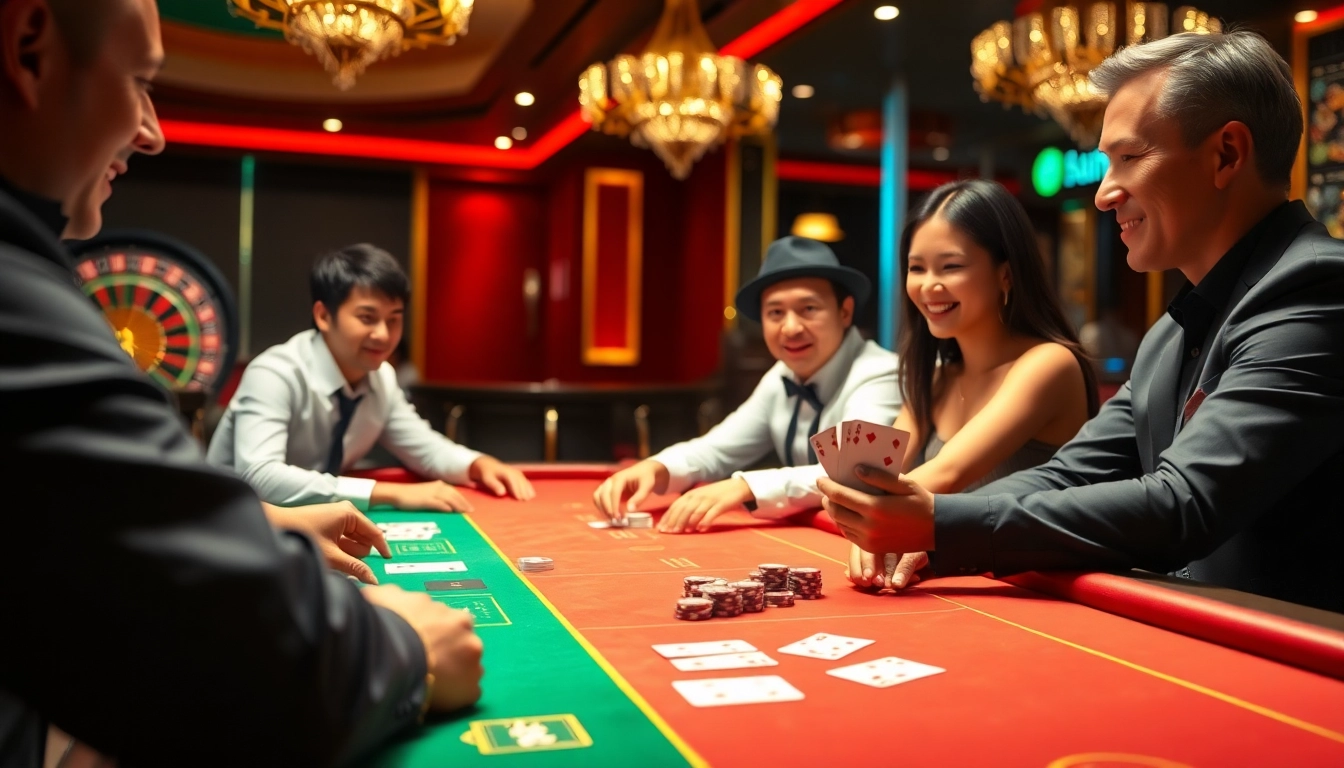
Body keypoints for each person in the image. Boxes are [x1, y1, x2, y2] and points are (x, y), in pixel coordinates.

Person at [0, 2, 483, 765]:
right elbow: (236, 654)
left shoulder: (380, 381)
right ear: (29, 46)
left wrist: (272, 524)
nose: (152, 132)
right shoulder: (18, 299)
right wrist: (403, 648)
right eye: (139, 82)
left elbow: (69, 532)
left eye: (394, 319)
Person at [820, 30, 1344, 613]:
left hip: (1298, 654)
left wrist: (940, 523)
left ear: (1226, 154)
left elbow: (1183, 503)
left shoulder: (1317, 288)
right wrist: (933, 531)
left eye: (1129, 158)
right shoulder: (1171, 333)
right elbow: (1069, 474)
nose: (1103, 194)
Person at [845, 180, 1098, 589]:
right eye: (917, 268)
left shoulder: (1049, 363)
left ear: (1006, 274)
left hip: (1036, 590)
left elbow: (948, 473)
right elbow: (878, 474)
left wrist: (870, 519)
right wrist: (858, 507)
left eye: (951, 266)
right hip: (956, 584)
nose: (929, 285)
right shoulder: (936, 379)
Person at [593, 236, 902, 533]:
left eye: (809, 309)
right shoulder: (781, 375)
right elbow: (717, 448)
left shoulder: (881, 373)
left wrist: (743, 486)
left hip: (886, 545)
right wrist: (657, 467)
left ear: (845, 311)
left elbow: (856, 474)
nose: (790, 328)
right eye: (775, 313)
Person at [208, 244, 536, 513]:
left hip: (307, 522)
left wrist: (477, 463)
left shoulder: (381, 377)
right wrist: (388, 492)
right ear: (323, 316)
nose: (383, 335)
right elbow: (259, 477)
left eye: (394, 320)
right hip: (227, 524)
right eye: (367, 318)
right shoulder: (275, 373)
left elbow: (423, 447)